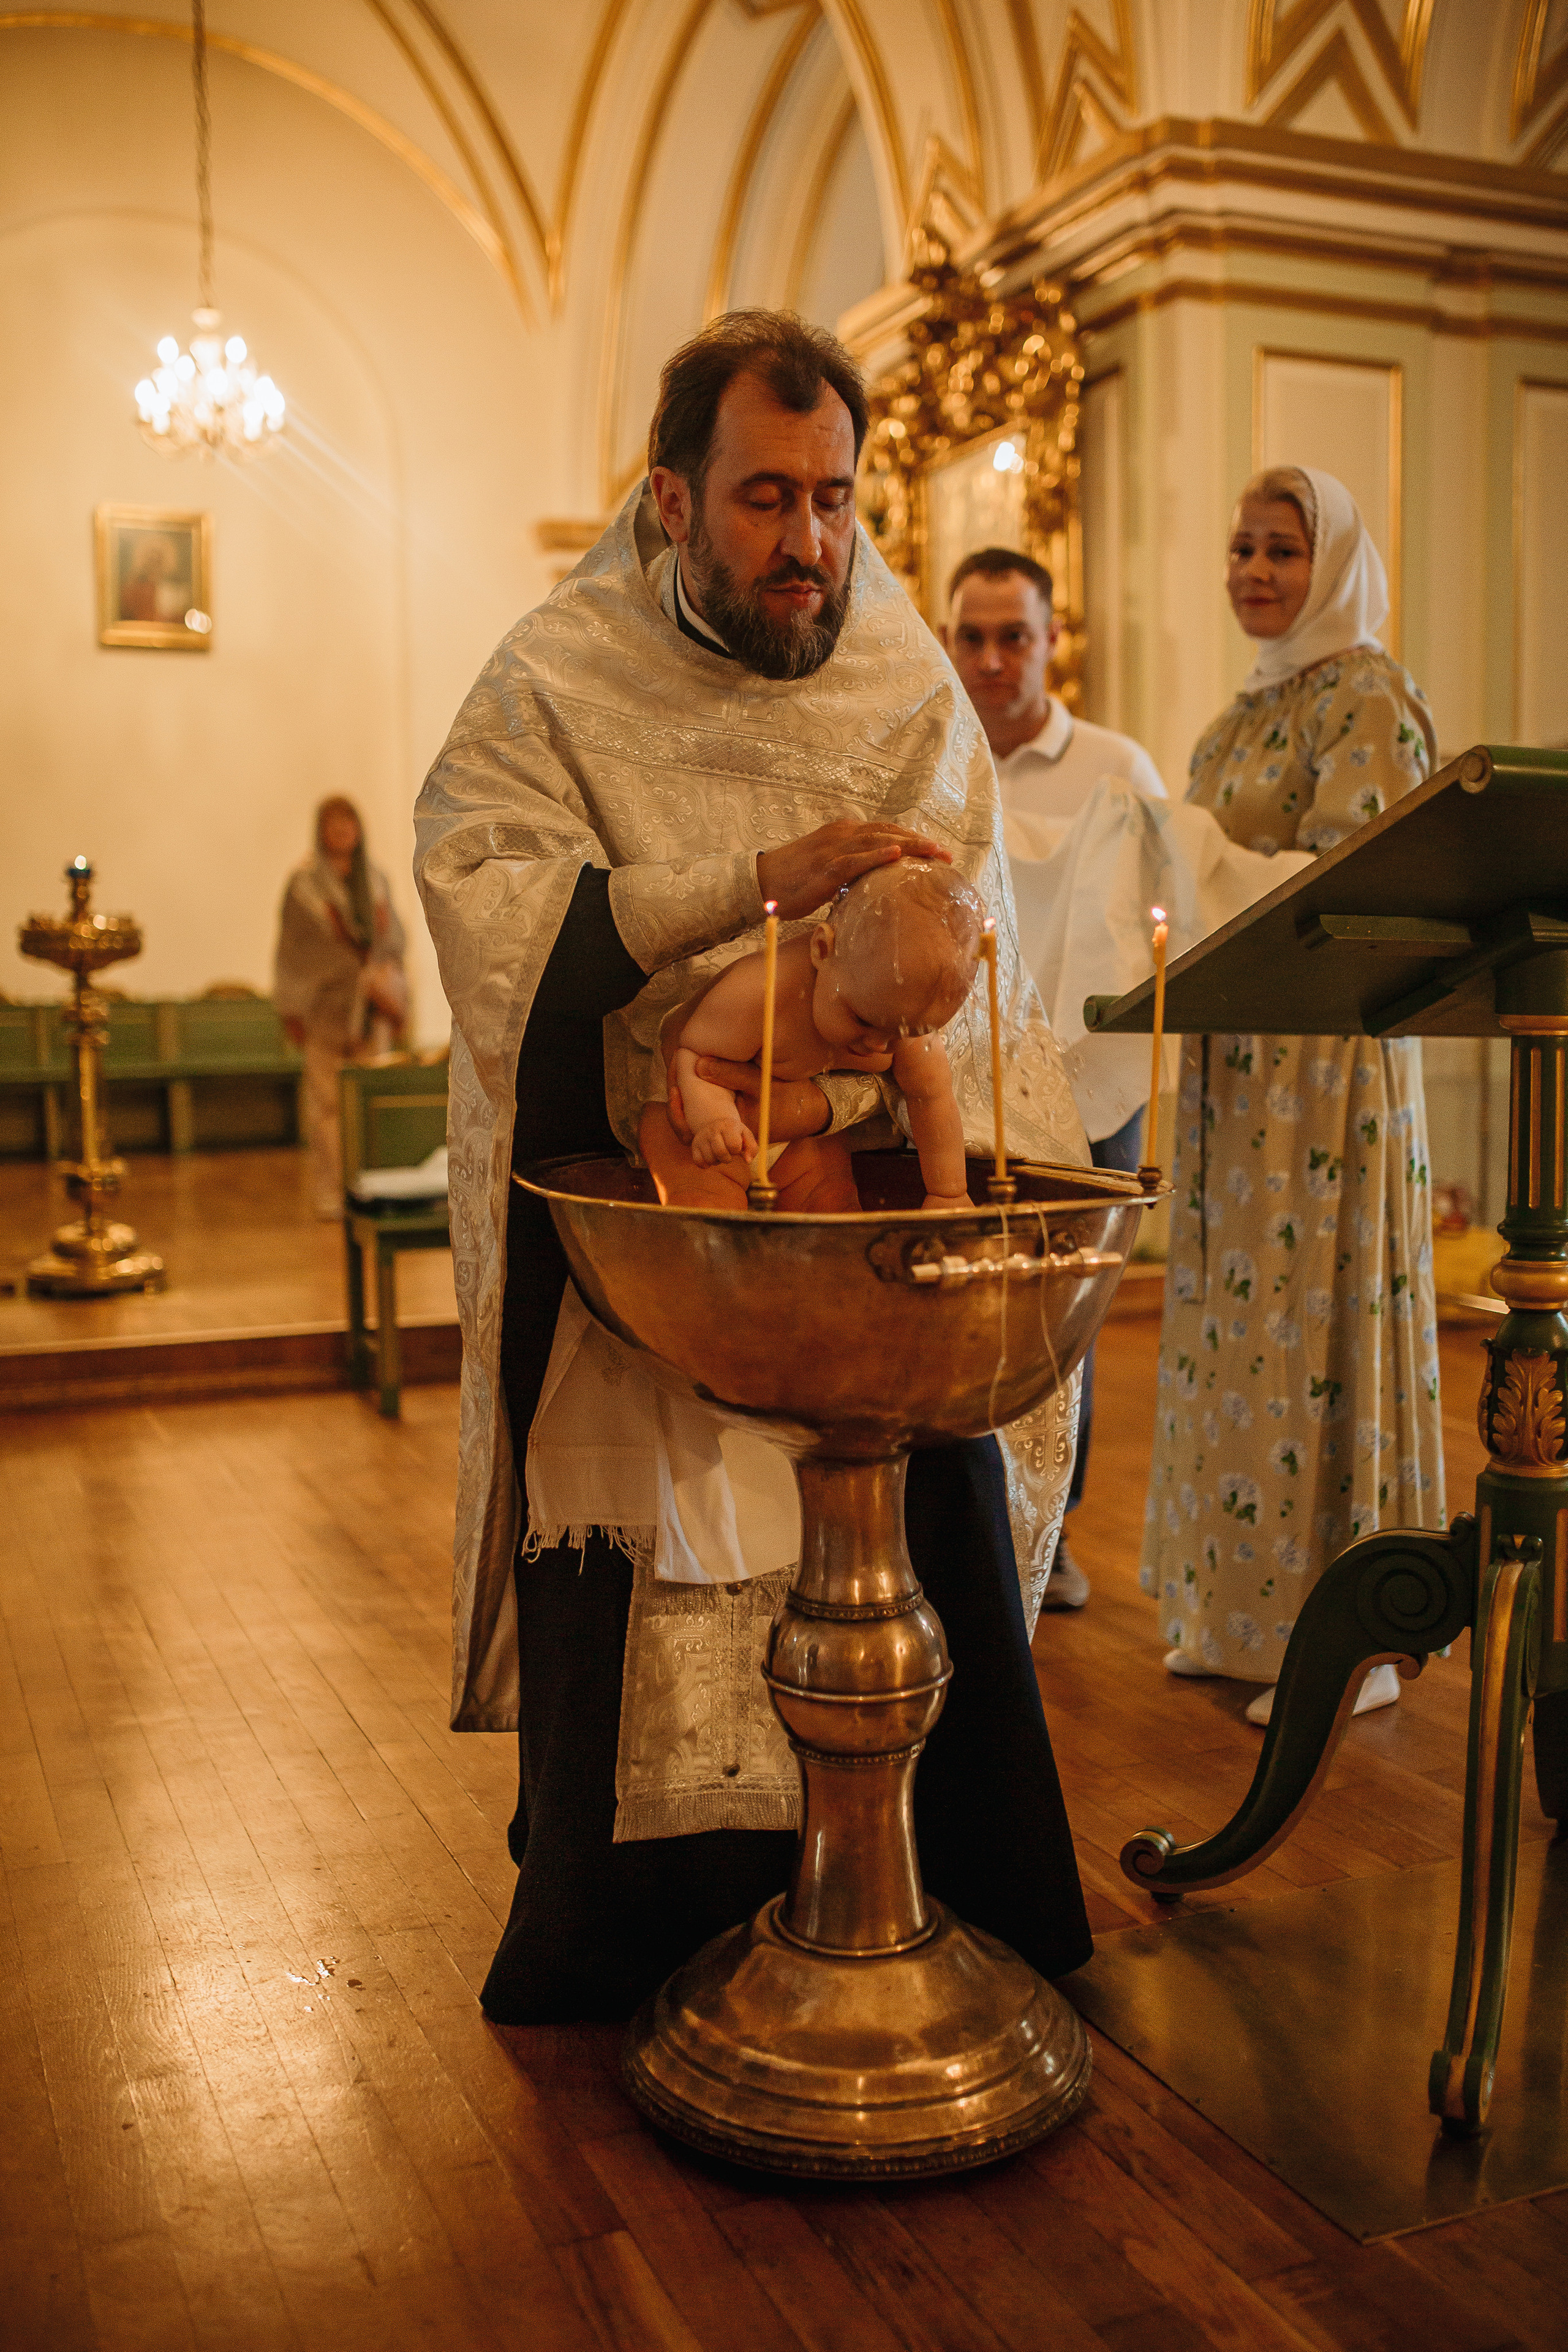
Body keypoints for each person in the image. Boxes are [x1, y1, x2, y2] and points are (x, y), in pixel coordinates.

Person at [413, 309, 1094, 2025]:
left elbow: (969, 962)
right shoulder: (553, 676)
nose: (810, 542)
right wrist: (749, 886)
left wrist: (869, 1094)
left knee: (901, 1525)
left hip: (858, 1246)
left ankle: (916, 1886)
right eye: (765, 498)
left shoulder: (907, 683)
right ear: (671, 498)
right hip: (653, 1230)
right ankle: (637, 1927)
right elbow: (494, 911)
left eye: (836, 498)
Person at [1140, 465, 1445, 1726]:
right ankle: (1240, 1618)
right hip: (1239, 1066)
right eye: (1242, 547)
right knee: (1238, 1335)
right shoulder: (1233, 722)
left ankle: (1350, 1642)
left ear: (1332, 567)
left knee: (1315, 1334)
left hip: (1328, 1070)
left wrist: (1189, 847)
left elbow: (1357, 884)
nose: (1255, 572)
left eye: (1281, 550)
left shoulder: (1369, 694)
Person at [946, 546, 1168, 1612]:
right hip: (958, 1073)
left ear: (1052, 642)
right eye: (972, 638)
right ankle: (967, 1535)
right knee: (960, 1312)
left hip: (1088, 1079)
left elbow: (1158, 917)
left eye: (1014, 637)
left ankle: (1055, 1530)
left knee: (1065, 1322)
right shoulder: (933, 750)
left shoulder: (1118, 765)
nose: (992, 660)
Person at [645, 858, 984, 1212]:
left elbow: (932, 1098)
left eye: (903, 1033)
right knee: (709, 1211)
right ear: (822, 950)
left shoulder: (898, 1014)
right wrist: (715, 1122)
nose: (878, 1046)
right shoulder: (758, 992)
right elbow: (695, 1059)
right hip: (699, 1115)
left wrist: (949, 1193)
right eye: (862, 1020)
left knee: (832, 1207)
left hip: (798, 1132)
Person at [274, 796, 409, 1216]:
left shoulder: (377, 880)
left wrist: (392, 994)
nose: (342, 830)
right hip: (325, 1010)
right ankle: (332, 1192)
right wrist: (292, 1008)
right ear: (321, 830)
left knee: (371, 1100)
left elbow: (395, 943)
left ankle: (372, 1190)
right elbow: (293, 950)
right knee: (327, 1107)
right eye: (333, 823)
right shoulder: (304, 886)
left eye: (348, 822)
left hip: (372, 1010)